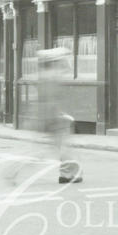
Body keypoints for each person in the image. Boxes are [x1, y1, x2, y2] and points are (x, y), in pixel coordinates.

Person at [36, 48, 82, 184]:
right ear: (54, 62)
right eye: (59, 60)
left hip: (51, 117)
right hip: (55, 118)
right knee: (63, 147)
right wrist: (59, 115)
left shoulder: (46, 75)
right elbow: (51, 99)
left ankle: (69, 173)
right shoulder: (51, 76)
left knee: (59, 147)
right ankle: (67, 175)